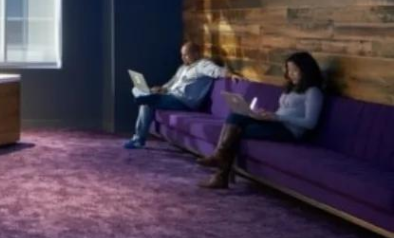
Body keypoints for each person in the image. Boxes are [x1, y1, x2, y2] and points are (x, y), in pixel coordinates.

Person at [197, 51, 324, 189]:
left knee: (237, 131)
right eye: (289, 70)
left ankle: (221, 172)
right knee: (236, 115)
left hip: (289, 131)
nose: (290, 74)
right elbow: (283, 111)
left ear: (306, 70)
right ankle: (219, 156)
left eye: (294, 70)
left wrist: (278, 117)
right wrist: (264, 115)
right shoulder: (292, 88)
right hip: (276, 123)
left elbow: (310, 123)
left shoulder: (313, 92)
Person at [123, 42, 226, 149]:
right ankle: (144, 97)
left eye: (186, 55)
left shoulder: (203, 65)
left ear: (196, 54)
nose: (183, 58)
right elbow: (172, 83)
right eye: (182, 55)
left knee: (147, 101)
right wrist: (161, 89)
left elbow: (219, 71)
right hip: (172, 96)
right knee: (148, 98)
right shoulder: (183, 68)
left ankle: (138, 139)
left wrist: (230, 74)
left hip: (184, 102)